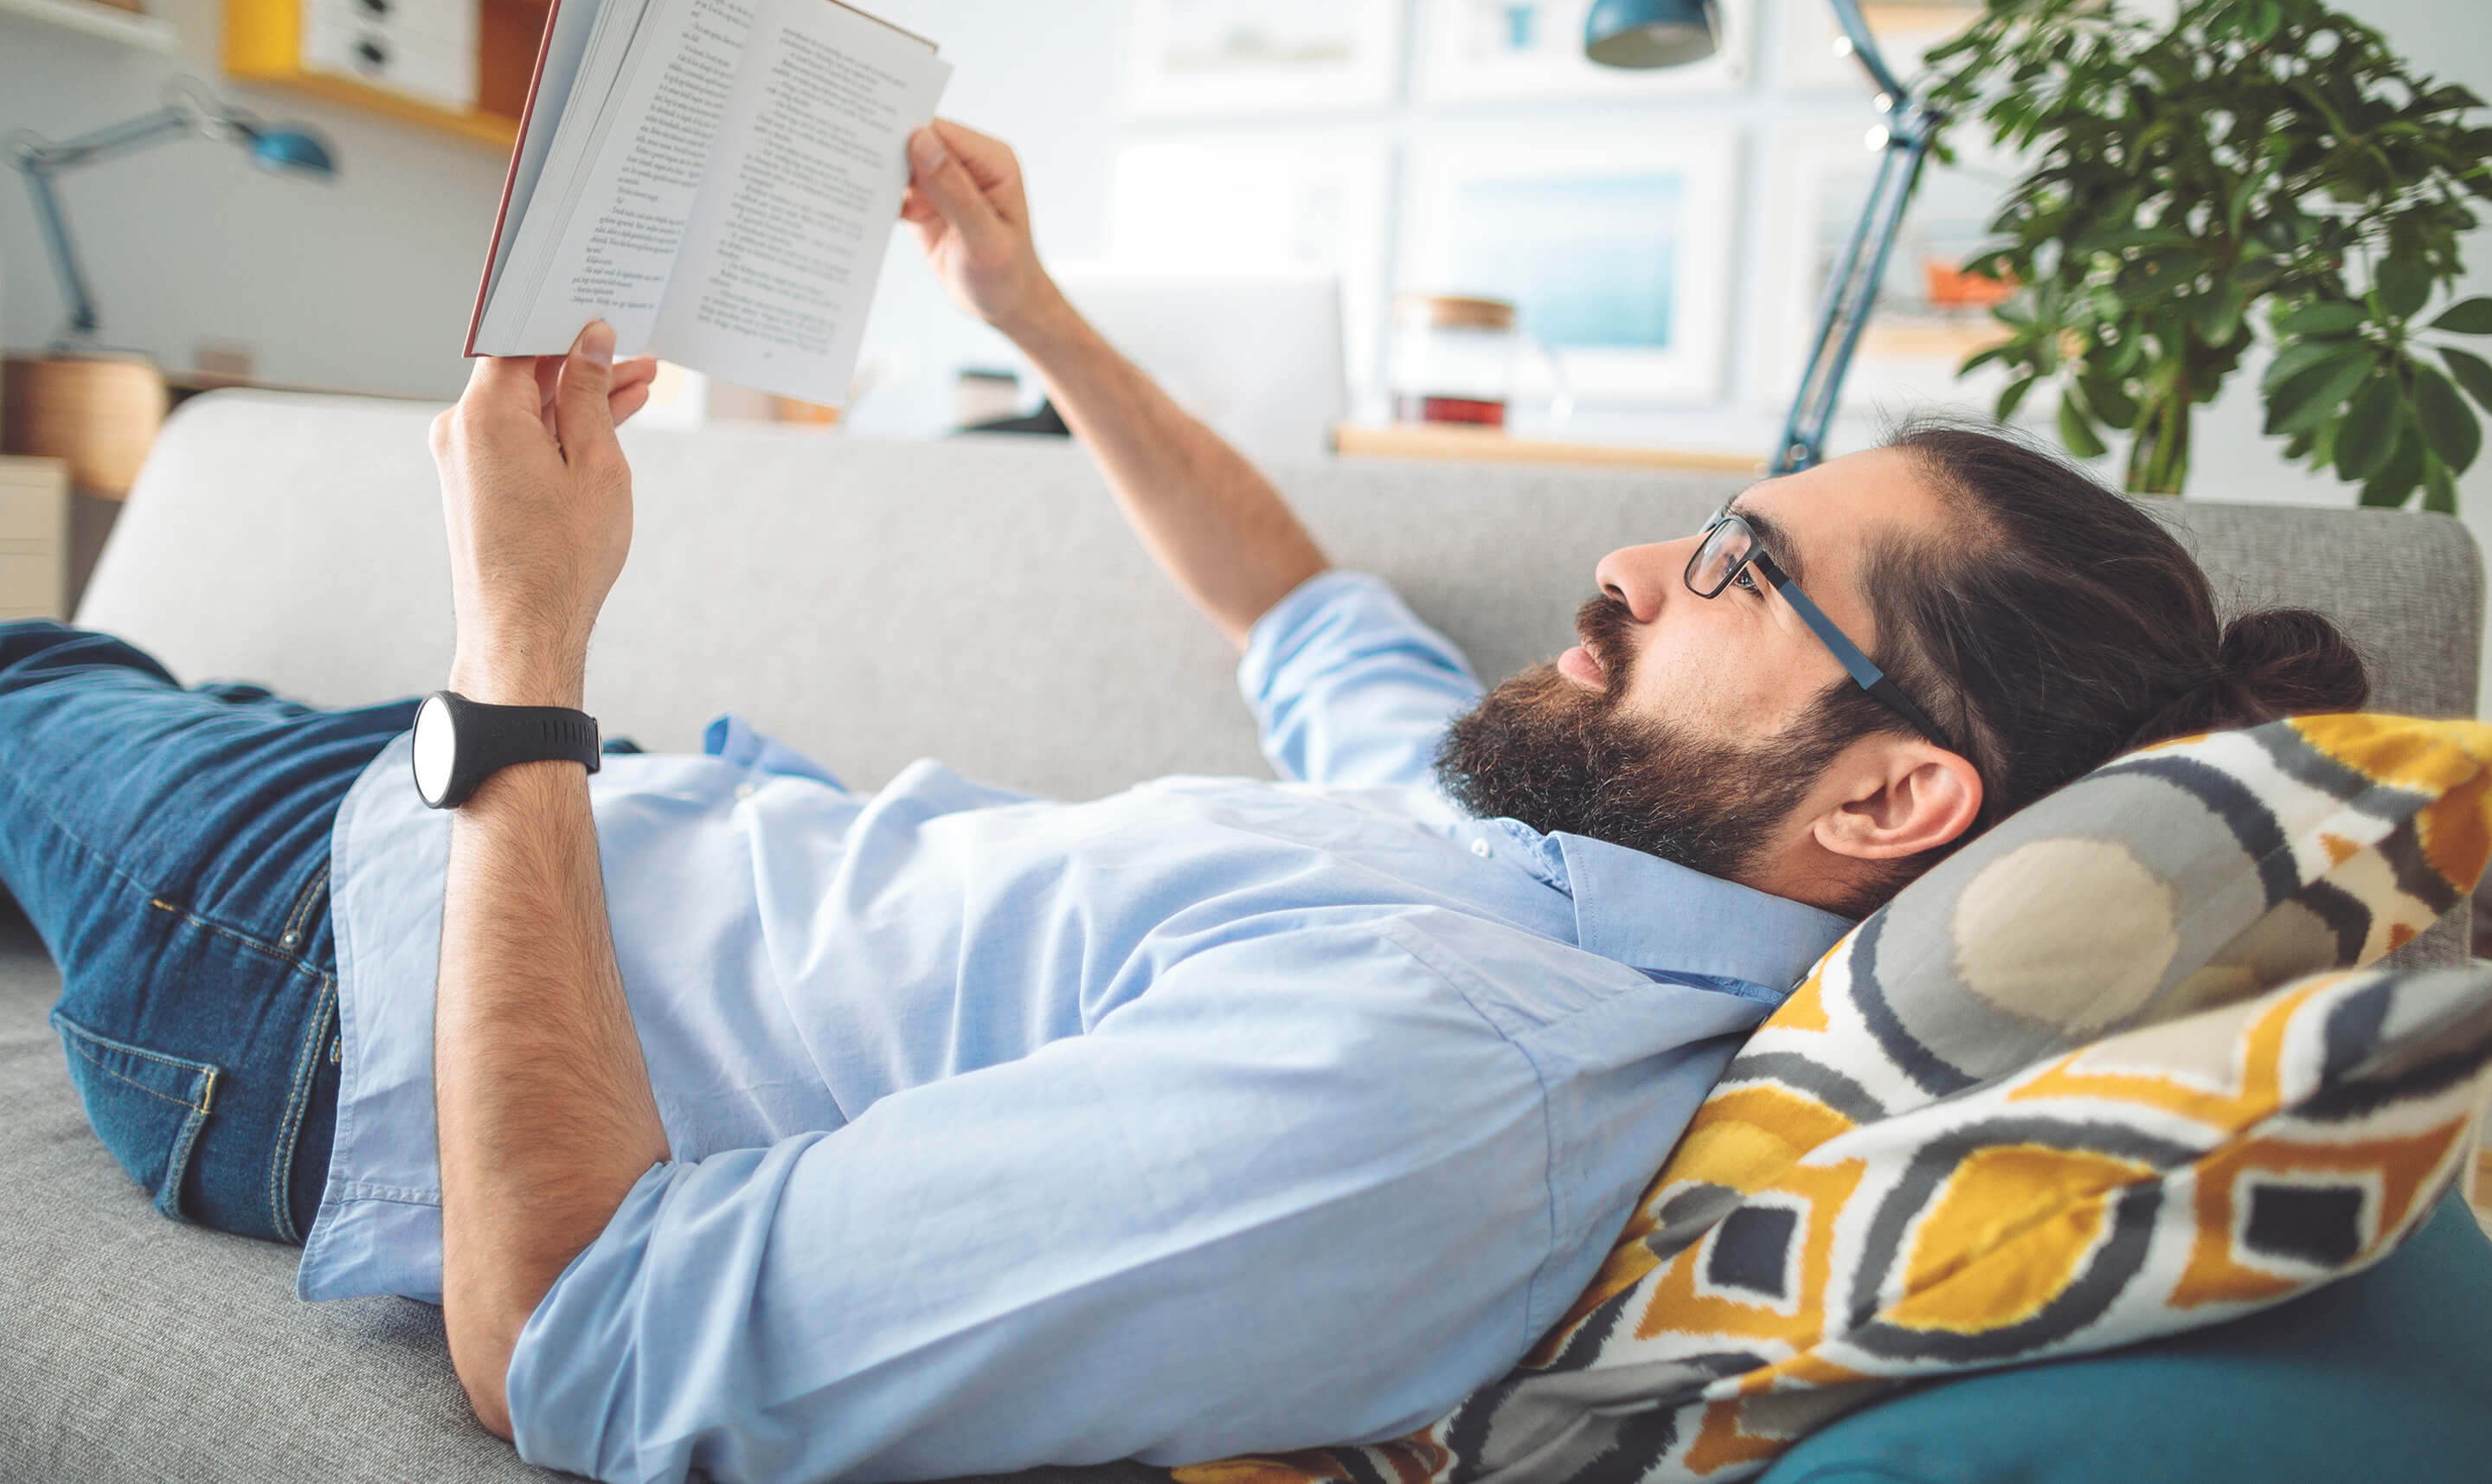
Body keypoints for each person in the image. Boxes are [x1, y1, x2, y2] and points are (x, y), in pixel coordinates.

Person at [0, 120, 2367, 1484]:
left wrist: (518, 660)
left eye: (1740, 567)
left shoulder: (1445, 1095)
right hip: (510, 819)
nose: (1637, 564)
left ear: (1892, 795)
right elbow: (1302, 611)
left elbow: (594, 1345)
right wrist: (1022, 302)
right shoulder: (1577, 864)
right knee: (89, 660)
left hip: (328, 954)